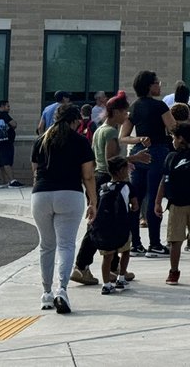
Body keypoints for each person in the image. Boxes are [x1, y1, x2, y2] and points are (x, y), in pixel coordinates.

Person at [73, 94, 147, 287]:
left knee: (105, 223)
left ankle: (113, 268)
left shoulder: (100, 130)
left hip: (99, 178)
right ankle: (81, 266)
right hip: (108, 180)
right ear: (116, 112)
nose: (127, 115)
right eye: (124, 111)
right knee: (100, 226)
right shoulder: (111, 133)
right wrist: (135, 158)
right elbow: (112, 161)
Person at [31, 103, 97, 314]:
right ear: (76, 121)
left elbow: (35, 172)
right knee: (66, 245)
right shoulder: (80, 141)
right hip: (69, 193)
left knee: (46, 245)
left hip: (41, 194)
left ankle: (46, 294)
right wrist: (93, 201)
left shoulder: (41, 141)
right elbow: (87, 175)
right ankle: (62, 290)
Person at [122, 71, 176, 258]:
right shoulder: (160, 106)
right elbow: (173, 128)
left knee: (135, 199)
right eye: (157, 82)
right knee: (155, 198)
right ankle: (154, 244)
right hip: (158, 152)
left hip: (137, 153)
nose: (159, 86)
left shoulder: (134, 108)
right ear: (149, 86)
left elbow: (123, 136)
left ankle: (135, 244)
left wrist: (139, 138)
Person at [155, 122, 190, 284]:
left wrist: (158, 202)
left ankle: (174, 272)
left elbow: (163, 182)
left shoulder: (171, 157)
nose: (172, 140)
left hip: (176, 204)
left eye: (173, 137)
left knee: (175, 240)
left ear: (180, 139)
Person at [94, 156, 133, 295]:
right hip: (122, 226)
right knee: (126, 251)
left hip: (105, 228)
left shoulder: (103, 187)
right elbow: (135, 206)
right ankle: (121, 278)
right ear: (121, 170)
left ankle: (106, 284)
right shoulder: (127, 186)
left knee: (107, 257)